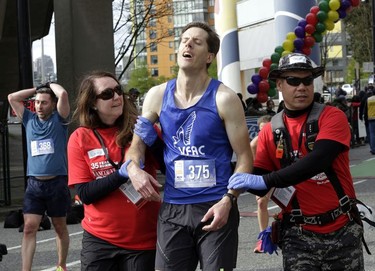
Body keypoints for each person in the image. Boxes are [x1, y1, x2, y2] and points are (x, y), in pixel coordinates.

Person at [125, 21, 252, 271]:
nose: (188, 44)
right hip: (173, 209)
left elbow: (245, 157)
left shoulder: (224, 98)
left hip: (215, 204)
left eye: (197, 41)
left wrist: (229, 200)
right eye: (184, 40)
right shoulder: (157, 95)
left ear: (209, 56)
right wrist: (134, 170)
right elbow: (135, 147)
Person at [228, 53, 365, 270]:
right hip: (297, 235)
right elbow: (258, 178)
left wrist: (265, 181)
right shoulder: (270, 130)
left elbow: (319, 160)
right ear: (279, 85)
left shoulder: (332, 116)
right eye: (293, 81)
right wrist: (236, 156)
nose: (301, 87)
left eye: (307, 80)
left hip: (342, 231)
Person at [67, 71, 162, 271]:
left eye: (118, 90)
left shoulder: (141, 129)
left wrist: (154, 143)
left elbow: (169, 170)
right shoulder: (80, 138)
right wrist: (121, 175)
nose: (117, 97)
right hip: (100, 240)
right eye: (107, 94)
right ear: (92, 103)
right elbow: (85, 194)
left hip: (143, 240)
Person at [8, 83, 71, 271]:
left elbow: (64, 93)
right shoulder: (28, 119)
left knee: (59, 227)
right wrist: (37, 89)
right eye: (36, 103)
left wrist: (50, 85)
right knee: (29, 227)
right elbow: (12, 97)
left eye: (44, 103)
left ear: (53, 104)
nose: (39, 106)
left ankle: (61, 265)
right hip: (34, 184)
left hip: (57, 183)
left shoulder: (60, 120)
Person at [250, 115, 272, 253]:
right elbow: (253, 162)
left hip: (284, 172)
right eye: (261, 130)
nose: (263, 132)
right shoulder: (255, 143)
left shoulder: (279, 137)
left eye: (266, 129)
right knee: (261, 203)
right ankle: (263, 238)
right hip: (265, 173)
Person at [362, 88, 375, 154]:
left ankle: (373, 149)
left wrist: (365, 118)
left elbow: (365, 110)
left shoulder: (368, 99)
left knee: (372, 134)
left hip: (370, 118)